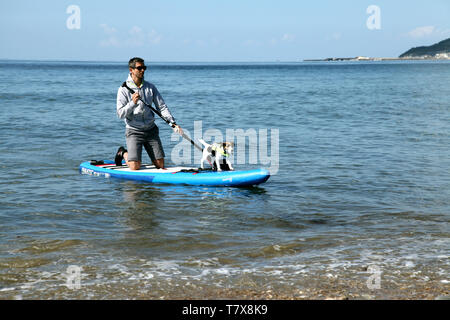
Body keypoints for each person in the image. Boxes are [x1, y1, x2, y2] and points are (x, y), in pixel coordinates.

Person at [115, 57, 182, 170]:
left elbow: (162, 107)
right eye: (139, 68)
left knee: (160, 165)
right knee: (135, 167)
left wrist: (173, 123)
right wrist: (132, 103)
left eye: (144, 68)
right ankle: (123, 153)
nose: (143, 70)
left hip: (151, 130)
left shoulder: (150, 87)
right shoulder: (123, 89)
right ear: (131, 70)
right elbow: (120, 114)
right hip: (134, 131)